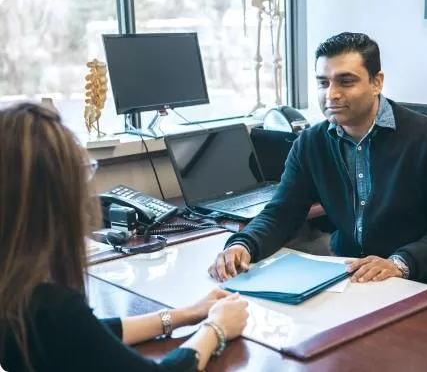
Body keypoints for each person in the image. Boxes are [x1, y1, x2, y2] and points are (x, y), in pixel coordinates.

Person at [209, 32, 427, 289]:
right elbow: (282, 212)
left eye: (346, 82)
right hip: (348, 276)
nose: (331, 94)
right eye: (323, 83)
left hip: (415, 282)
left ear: (377, 82)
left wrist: (398, 263)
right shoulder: (311, 142)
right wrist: (242, 245)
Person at [0, 102, 248, 372]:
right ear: (55, 198)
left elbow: (90, 337)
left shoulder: (16, 290)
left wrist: (187, 314)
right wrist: (216, 329)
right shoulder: (53, 308)